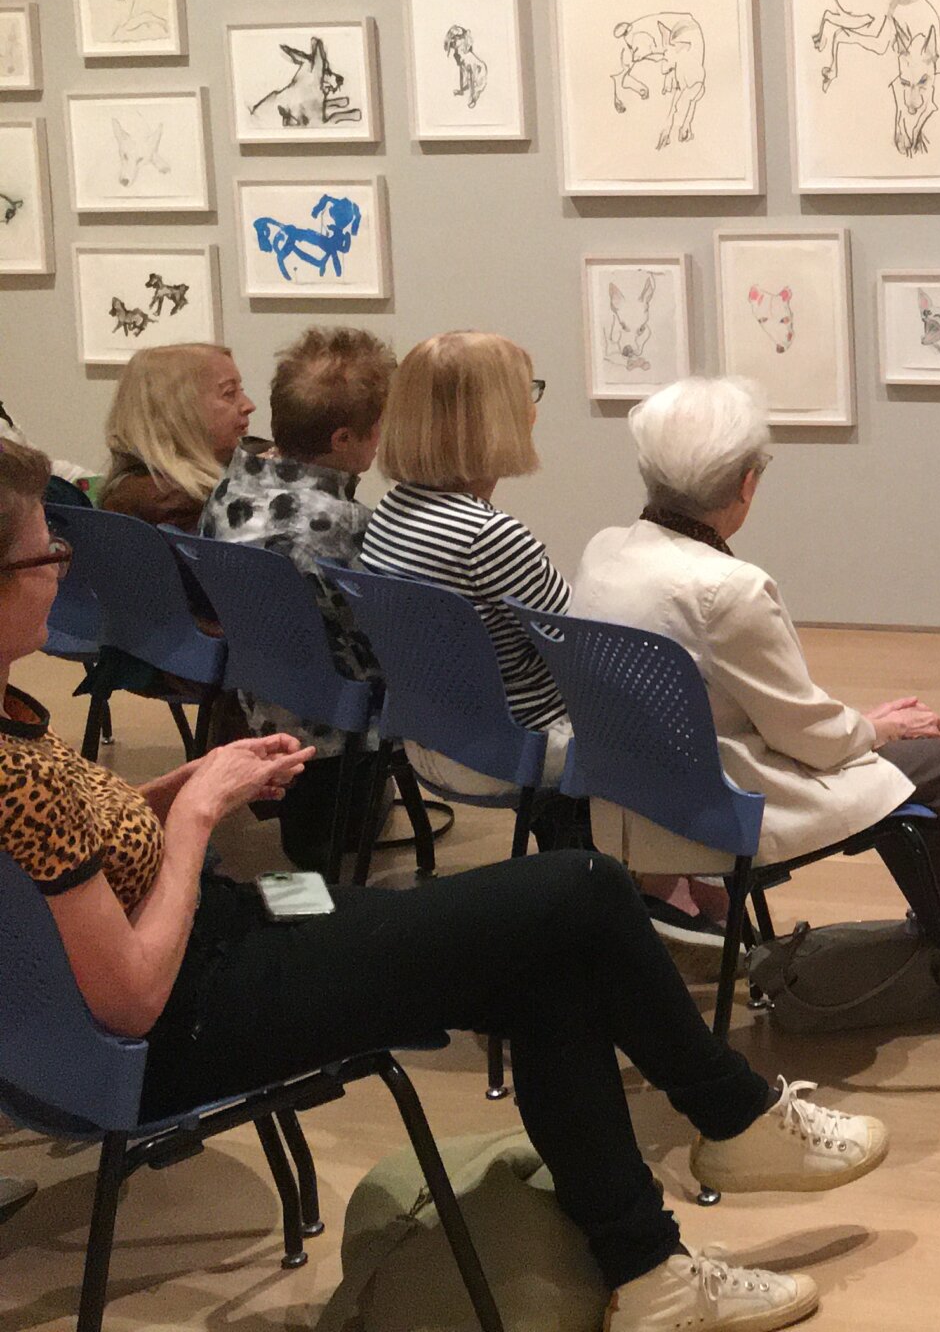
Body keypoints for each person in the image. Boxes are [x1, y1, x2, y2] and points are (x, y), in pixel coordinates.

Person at [0, 435, 887, 1332]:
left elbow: (73, 850)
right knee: (581, 890)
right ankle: (729, 1122)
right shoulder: (14, 778)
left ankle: (653, 1265)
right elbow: (131, 1001)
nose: (63, 567)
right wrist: (196, 819)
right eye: (45, 553)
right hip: (190, 1007)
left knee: (547, 953)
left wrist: (183, 788)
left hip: (231, 926)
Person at [574, 378, 940, 1028]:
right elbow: (810, 736)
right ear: (746, 484)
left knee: (912, 760)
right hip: (726, 804)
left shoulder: (604, 551)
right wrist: (875, 727)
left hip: (634, 801)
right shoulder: (727, 589)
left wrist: (864, 726)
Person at [354, 332, 602, 861]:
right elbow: (583, 652)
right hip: (508, 750)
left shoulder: (391, 511)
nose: (533, 409)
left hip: (429, 737)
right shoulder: (487, 537)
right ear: (492, 418)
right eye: (526, 394)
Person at [200, 326, 398, 872]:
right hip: (334, 724)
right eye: (378, 426)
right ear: (342, 439)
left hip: (261, 696)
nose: (382, 437)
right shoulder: (341, 523)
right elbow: (380, 635)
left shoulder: (230, 486)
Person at [97, 343, 258, 527]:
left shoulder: (129, 487)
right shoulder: (179, 506)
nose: (249, 405)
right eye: (229, 393)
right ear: (176, 412)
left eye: (241, 391)